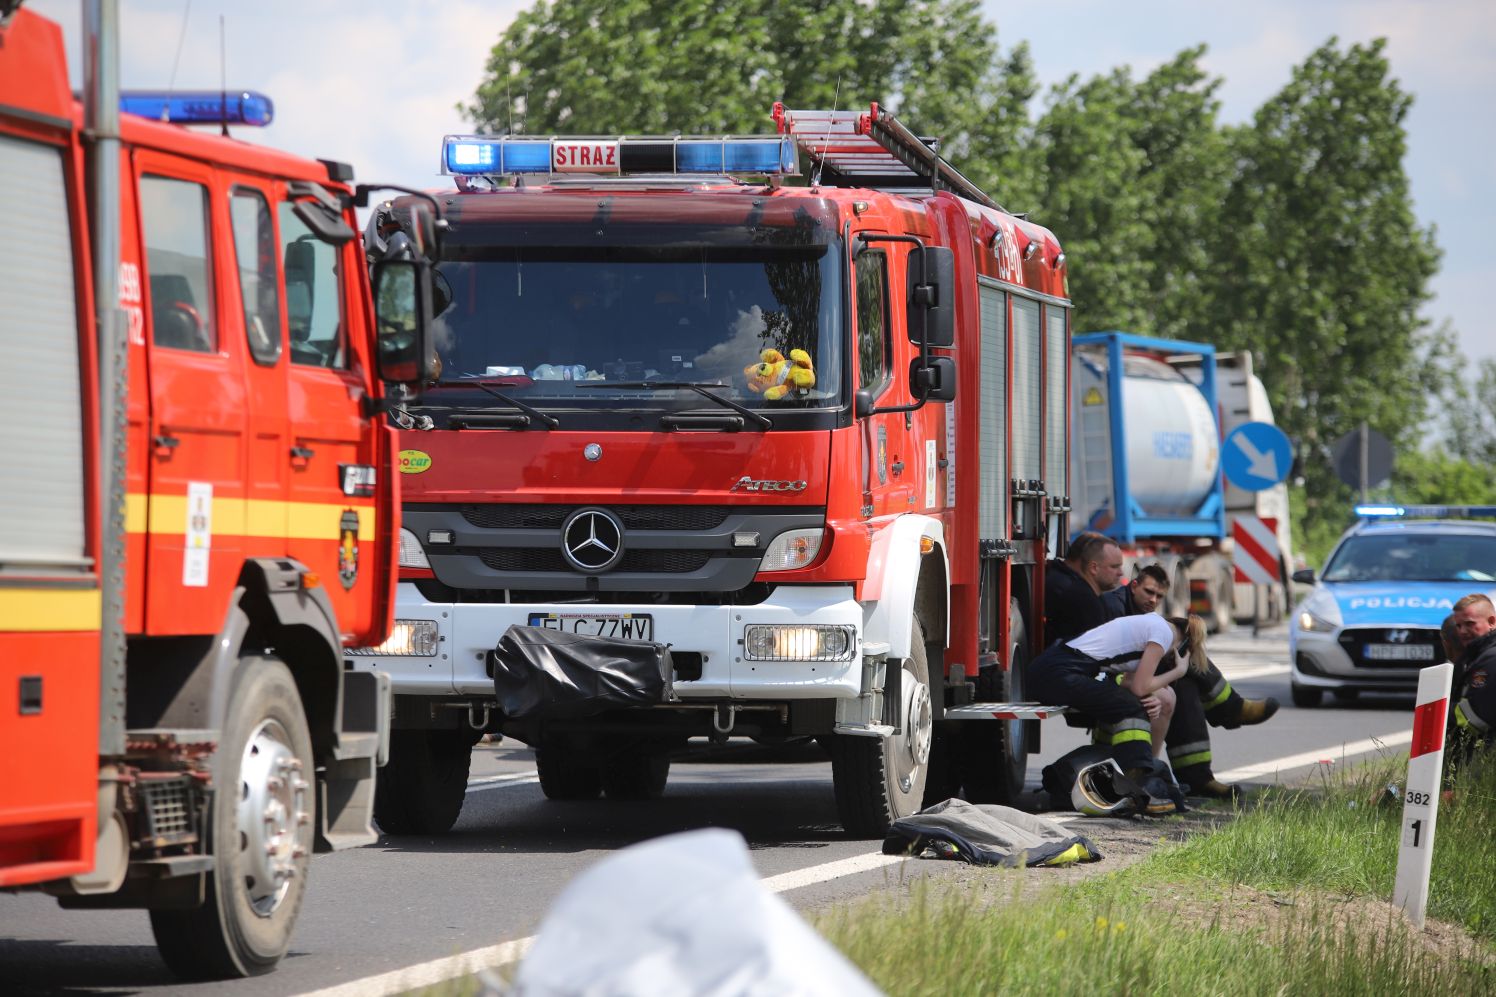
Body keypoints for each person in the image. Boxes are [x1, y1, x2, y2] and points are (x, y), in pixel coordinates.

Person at [1101, 564, 1280, 798]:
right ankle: (1231, 708)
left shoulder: (1134, 610)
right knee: (1182, 665)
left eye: (1159, 596)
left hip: (1127, 681)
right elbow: (1108, 670)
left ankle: (1198, 778)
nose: (1153, 600)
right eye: (1148, 592)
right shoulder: (1113, 608)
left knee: (1185, 685)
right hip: (1104, 687)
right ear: (1133, 586)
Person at [1027, 613, 1209, 814]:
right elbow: (1140, 687)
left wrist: (1152, 695)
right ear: (1183, 649)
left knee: (1129, 703)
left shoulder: (1155, 624)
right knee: (1130, 708)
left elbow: (1130, 682)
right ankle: (1133, 788)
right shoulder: (1163, 635)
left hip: (1054, 668)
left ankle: (1132, 781)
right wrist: (1178, 671)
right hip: (1059, 672)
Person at [1043, 532, 1125, 647]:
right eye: (1114, 566)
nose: (1121, 573)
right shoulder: (1079, 596)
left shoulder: (1059, 579)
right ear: (1093, 566)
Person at [1447, 594, 1495, 760]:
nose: (1462, 631)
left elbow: (1477, 718)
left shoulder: (1491, 660)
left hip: (1483, 757)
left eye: (1469, 624)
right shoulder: (1475, 655)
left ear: (1492, 622)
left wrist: (1441, 712)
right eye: (1458, 625)